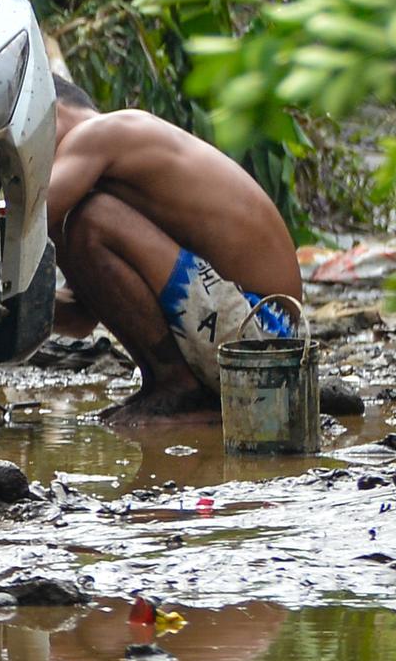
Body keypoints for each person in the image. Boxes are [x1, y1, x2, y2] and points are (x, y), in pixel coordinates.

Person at [44, 77, 306, 422]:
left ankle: (178, 387)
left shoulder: (101, 133)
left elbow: (29, 221)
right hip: (265, 344)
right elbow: (80, 318)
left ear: (50, 113)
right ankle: (172, 386)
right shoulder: (97, 175)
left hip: (265, 334)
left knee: (89, 220)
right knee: (81, 221)